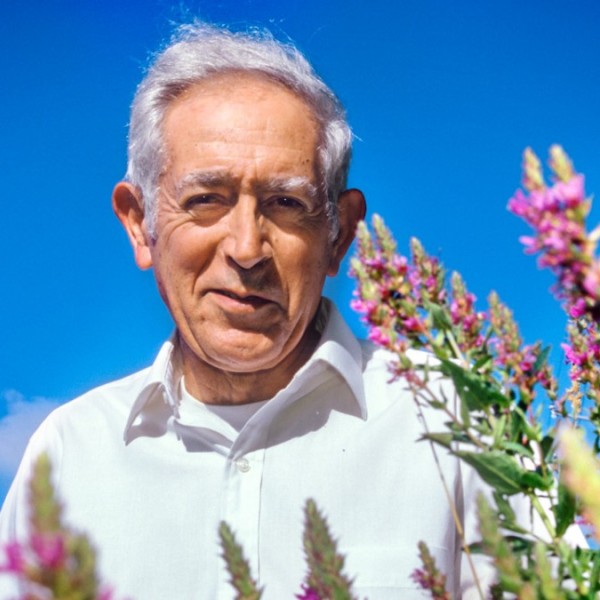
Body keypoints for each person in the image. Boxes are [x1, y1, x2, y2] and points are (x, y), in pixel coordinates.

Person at [0, 22, 494, 599]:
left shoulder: (451, 422)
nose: (246, 248)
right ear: (140, 224)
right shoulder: (69, 455)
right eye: (206, 199)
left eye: (286, 204)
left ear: (339, 236)